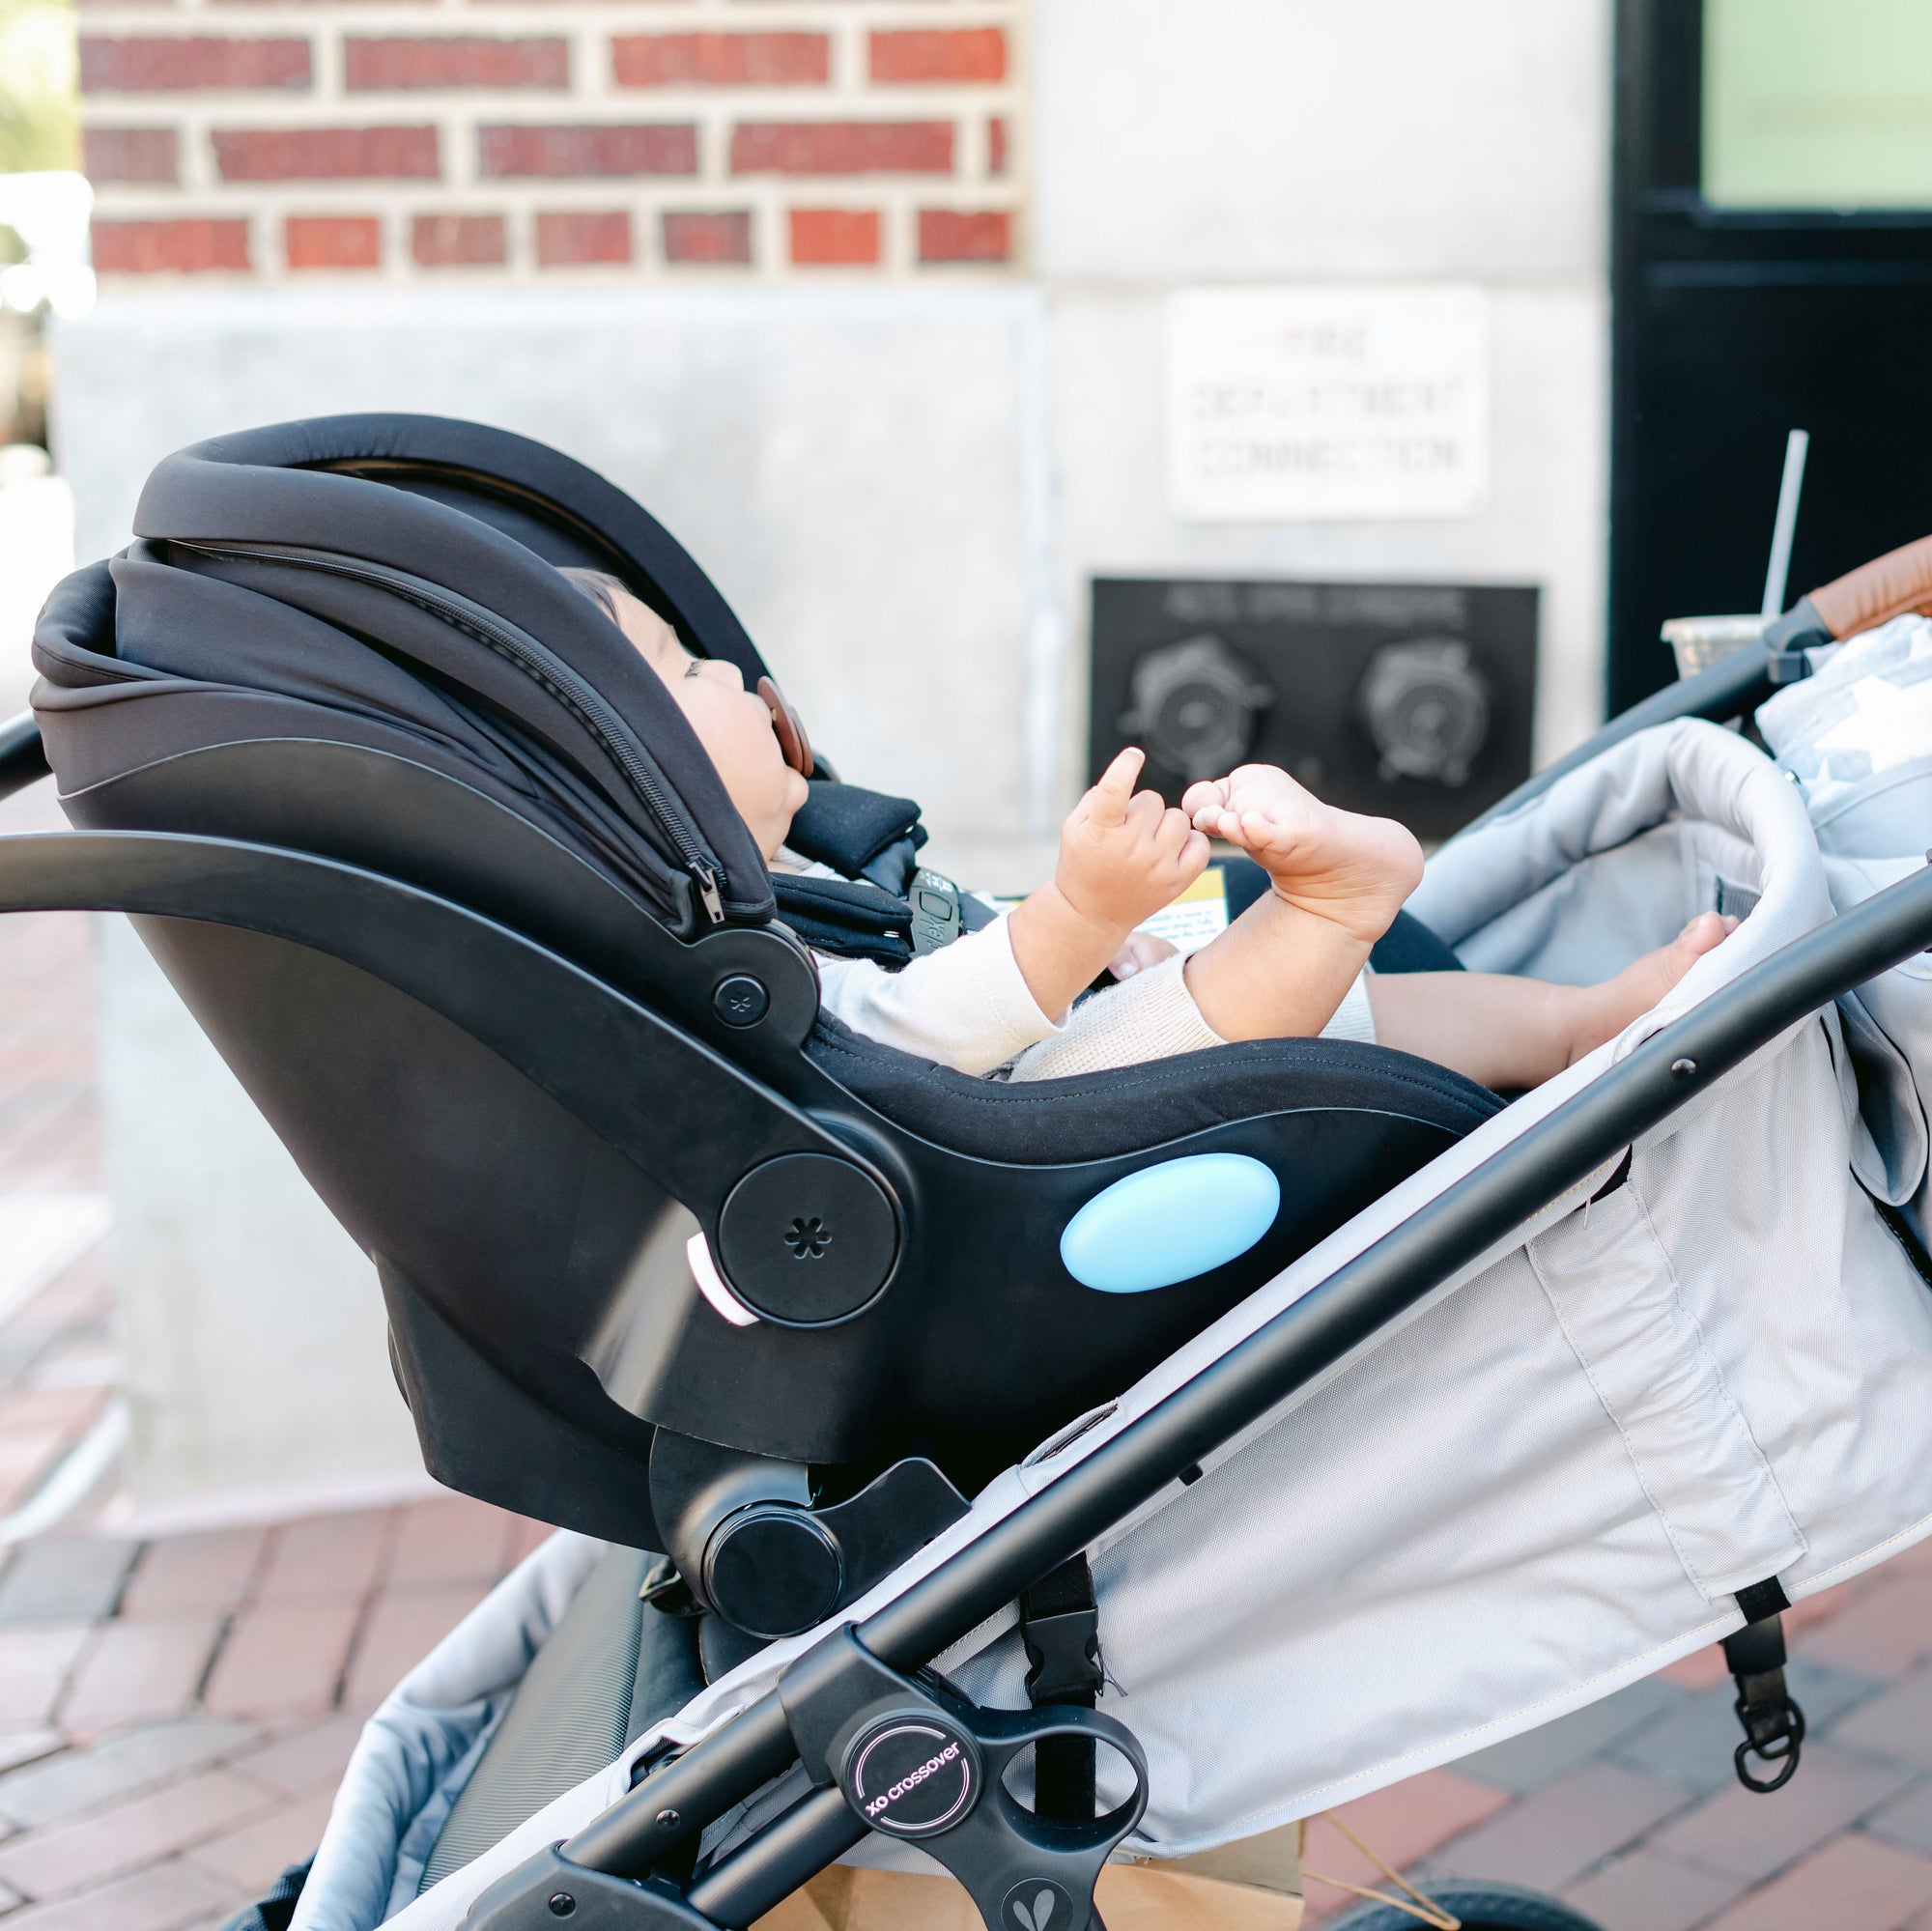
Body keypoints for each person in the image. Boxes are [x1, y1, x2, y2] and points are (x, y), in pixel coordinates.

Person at [562, 570, 1732, 1091]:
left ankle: (1572, 1027)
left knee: (1357, 1005)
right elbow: (909, 1036)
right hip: (1018, 1144)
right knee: (1203, 1014)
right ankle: (1332, 906)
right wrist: (1078, 915)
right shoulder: (732, 984)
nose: (727, 667)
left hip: (1020, 1074)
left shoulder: (777, 897)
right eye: (681, 668)